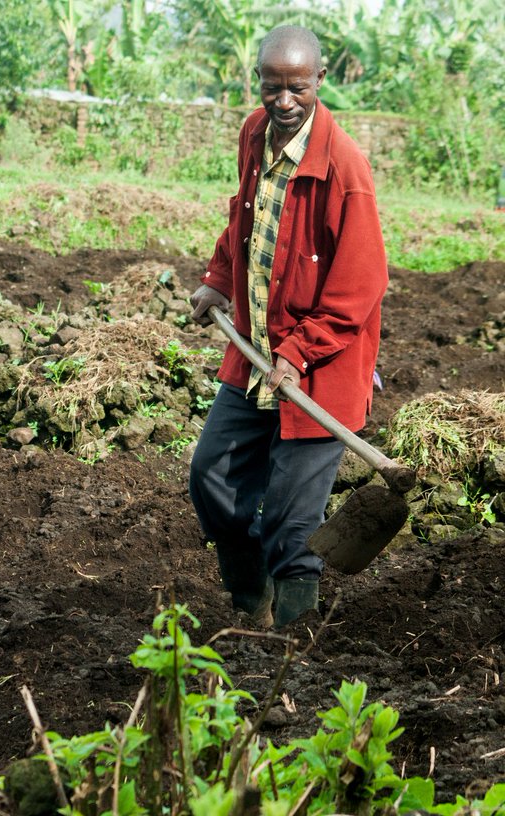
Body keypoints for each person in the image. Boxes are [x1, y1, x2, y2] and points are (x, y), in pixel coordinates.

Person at [188, 25, 387, 628]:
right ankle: (251, 606)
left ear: (319, 82)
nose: (283, 101)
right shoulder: (254, 132)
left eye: (296, 88)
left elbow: (359, 288)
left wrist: (298, 352)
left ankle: (295, 642)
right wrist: (220, 275)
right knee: (211, 479)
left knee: (291, 523)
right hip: (256, 355)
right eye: (272, 87)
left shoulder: (345, 170)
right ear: (259, 81)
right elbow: (243, 215)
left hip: (318, 372)